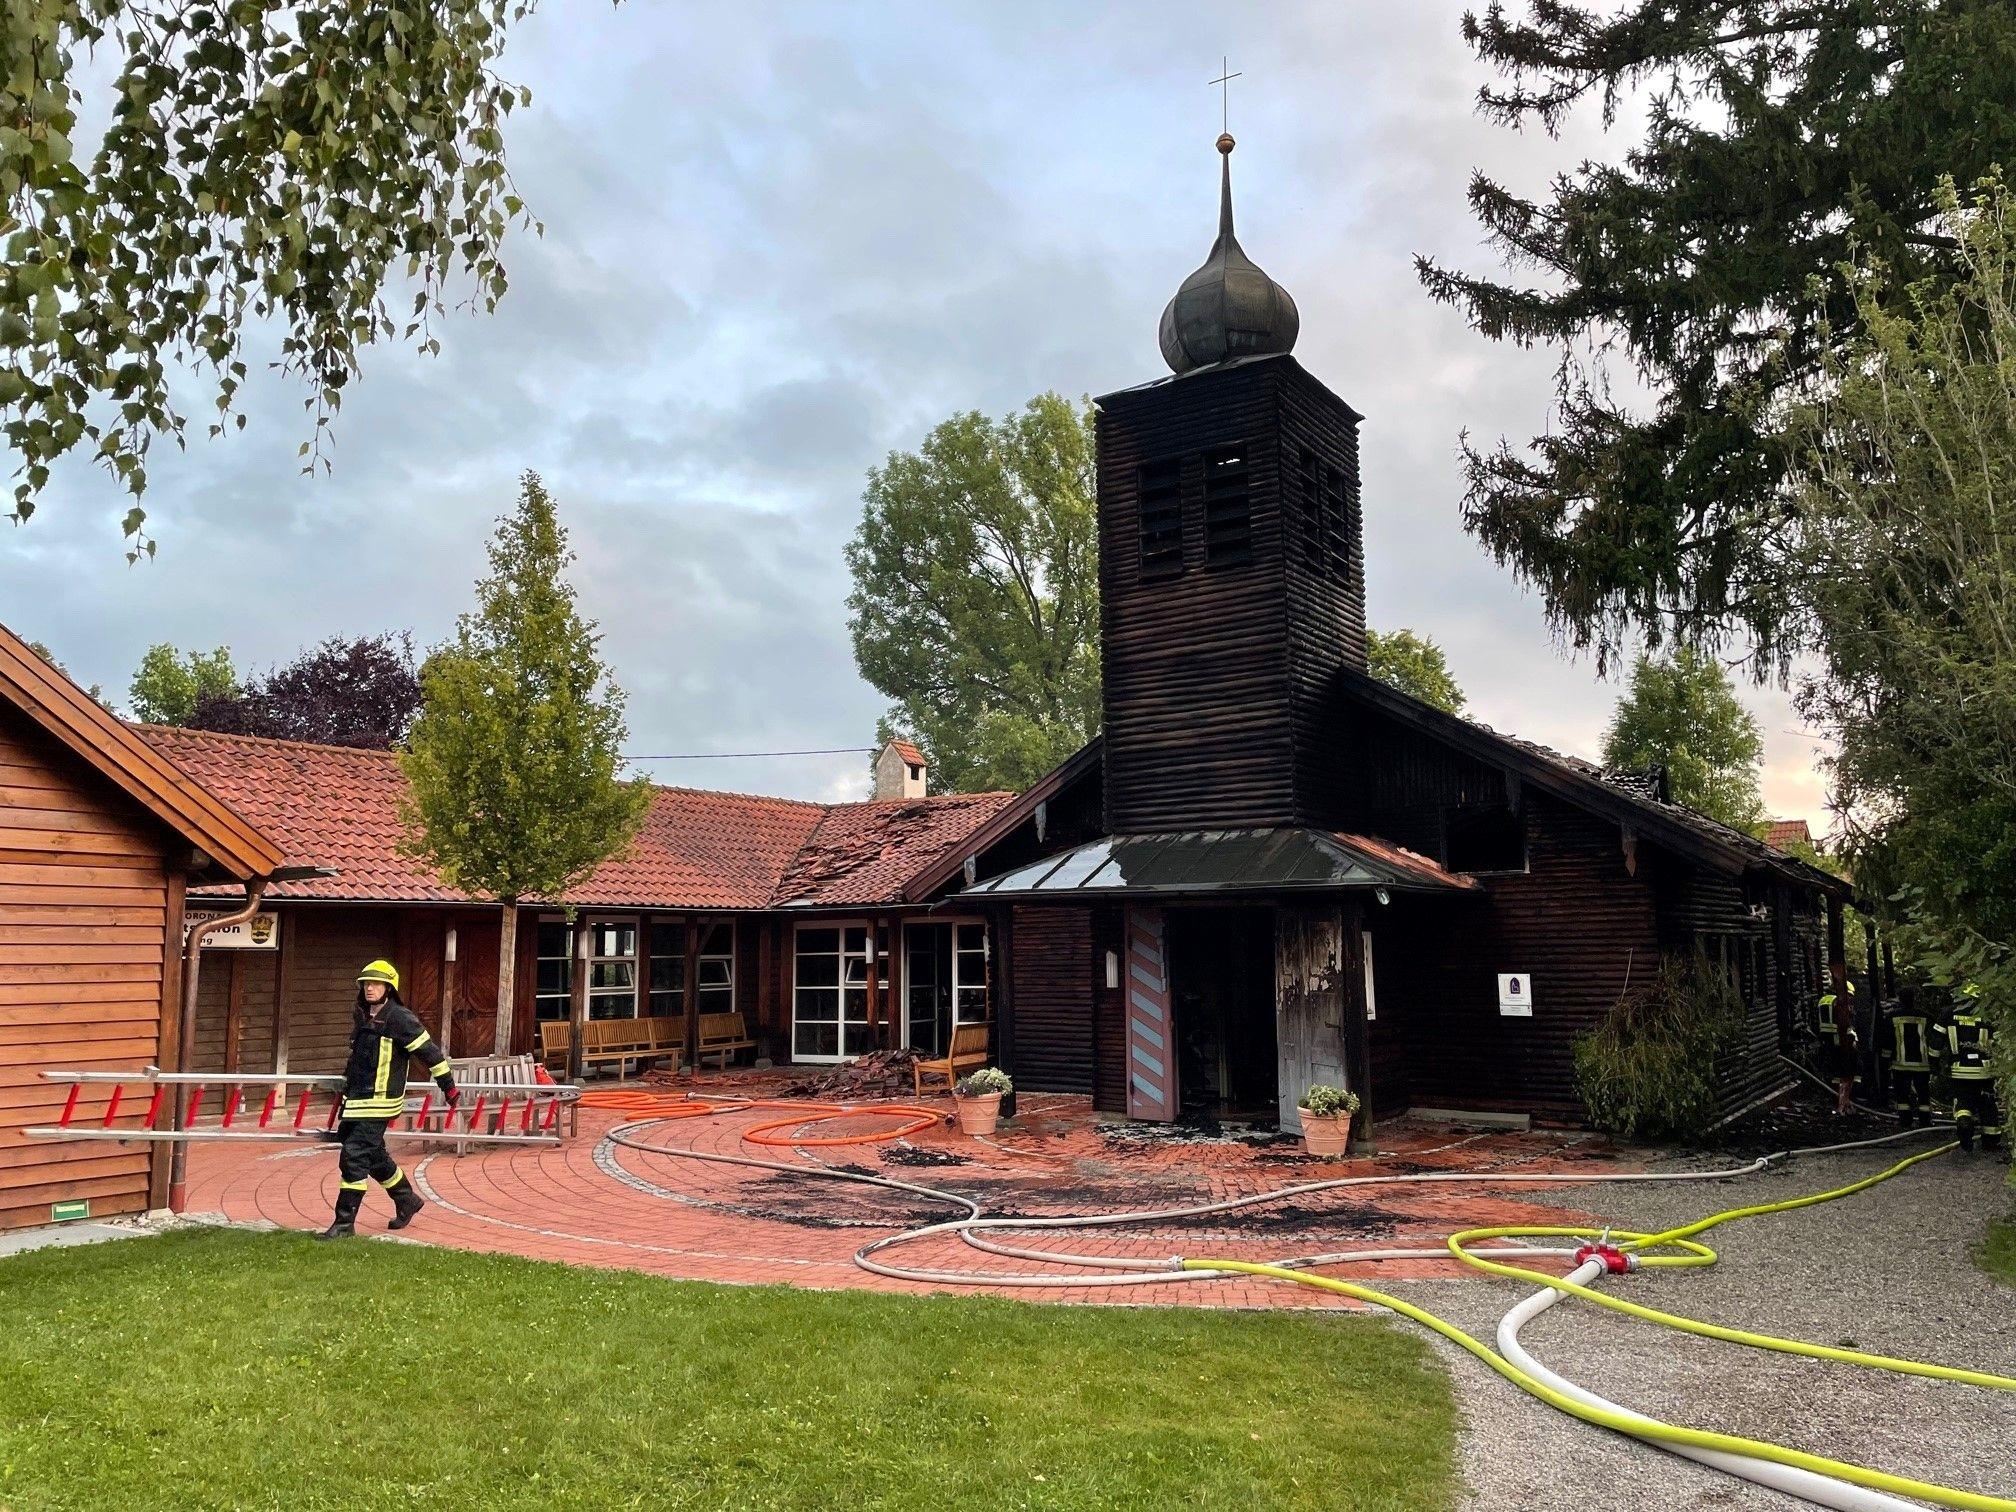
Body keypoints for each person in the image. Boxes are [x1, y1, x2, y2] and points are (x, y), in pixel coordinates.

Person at [319, 959, 458, 1239]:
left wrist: (448, 1086)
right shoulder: (362, 1014)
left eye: (376, 984)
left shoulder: (400, 1018)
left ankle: (344, 1224)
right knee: (372, 1155)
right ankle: (406, 1198)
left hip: (380, 1101)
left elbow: (430, 1053)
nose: (370, 988)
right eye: (366, 984)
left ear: (389, 988)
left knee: (354, 1156)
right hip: (356, 1100)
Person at [1940, 987, 2004, 1154]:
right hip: (1984, 1071)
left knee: (1963, 1101)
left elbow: (1935, 1040)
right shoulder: (1986, 1012)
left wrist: (1936, 1063)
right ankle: (1990, 1141)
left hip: (1959, 1070)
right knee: (1988, 1105)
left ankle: (1964, 1121)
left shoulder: (1948, 1013)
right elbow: (1998, 1040)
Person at [1876, 986, 1935, 1128]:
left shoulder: (1892, 1017)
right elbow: (1934, 1039)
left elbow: (1887, 1039)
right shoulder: (1926, 1017)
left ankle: (1905, 1120)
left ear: (1900, 999)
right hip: (1922, 1063)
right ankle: (1925, 1121)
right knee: (1923, 1093)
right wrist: (1934, 1060)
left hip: (1900, 1064)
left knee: (1902, 1094)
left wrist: (1885, 1059)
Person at [1817, 976, 1859, 1115]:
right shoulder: (1840, 1002)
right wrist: (1852, 1039)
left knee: (1833, 1070)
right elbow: (1845, 1024)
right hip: (1839, 1040)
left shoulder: (1823, 1000)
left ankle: (1835, 1098)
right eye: (1849, 996)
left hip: (1826, 1041)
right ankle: (1842, 1102)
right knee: (1845, 1070)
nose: (1850, 999)